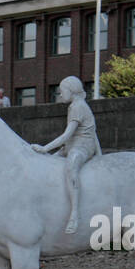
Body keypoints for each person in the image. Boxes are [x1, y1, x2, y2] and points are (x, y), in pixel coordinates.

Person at [32, 76, 101, 234]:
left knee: (71, 168)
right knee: (47, 164)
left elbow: (66, 135)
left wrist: (44, 148)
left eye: (62, 91)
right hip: (71, 145)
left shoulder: (78, 107)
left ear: (72, 91)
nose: (60, 95)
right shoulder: (74, 106)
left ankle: (75, 214)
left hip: (82, 146)